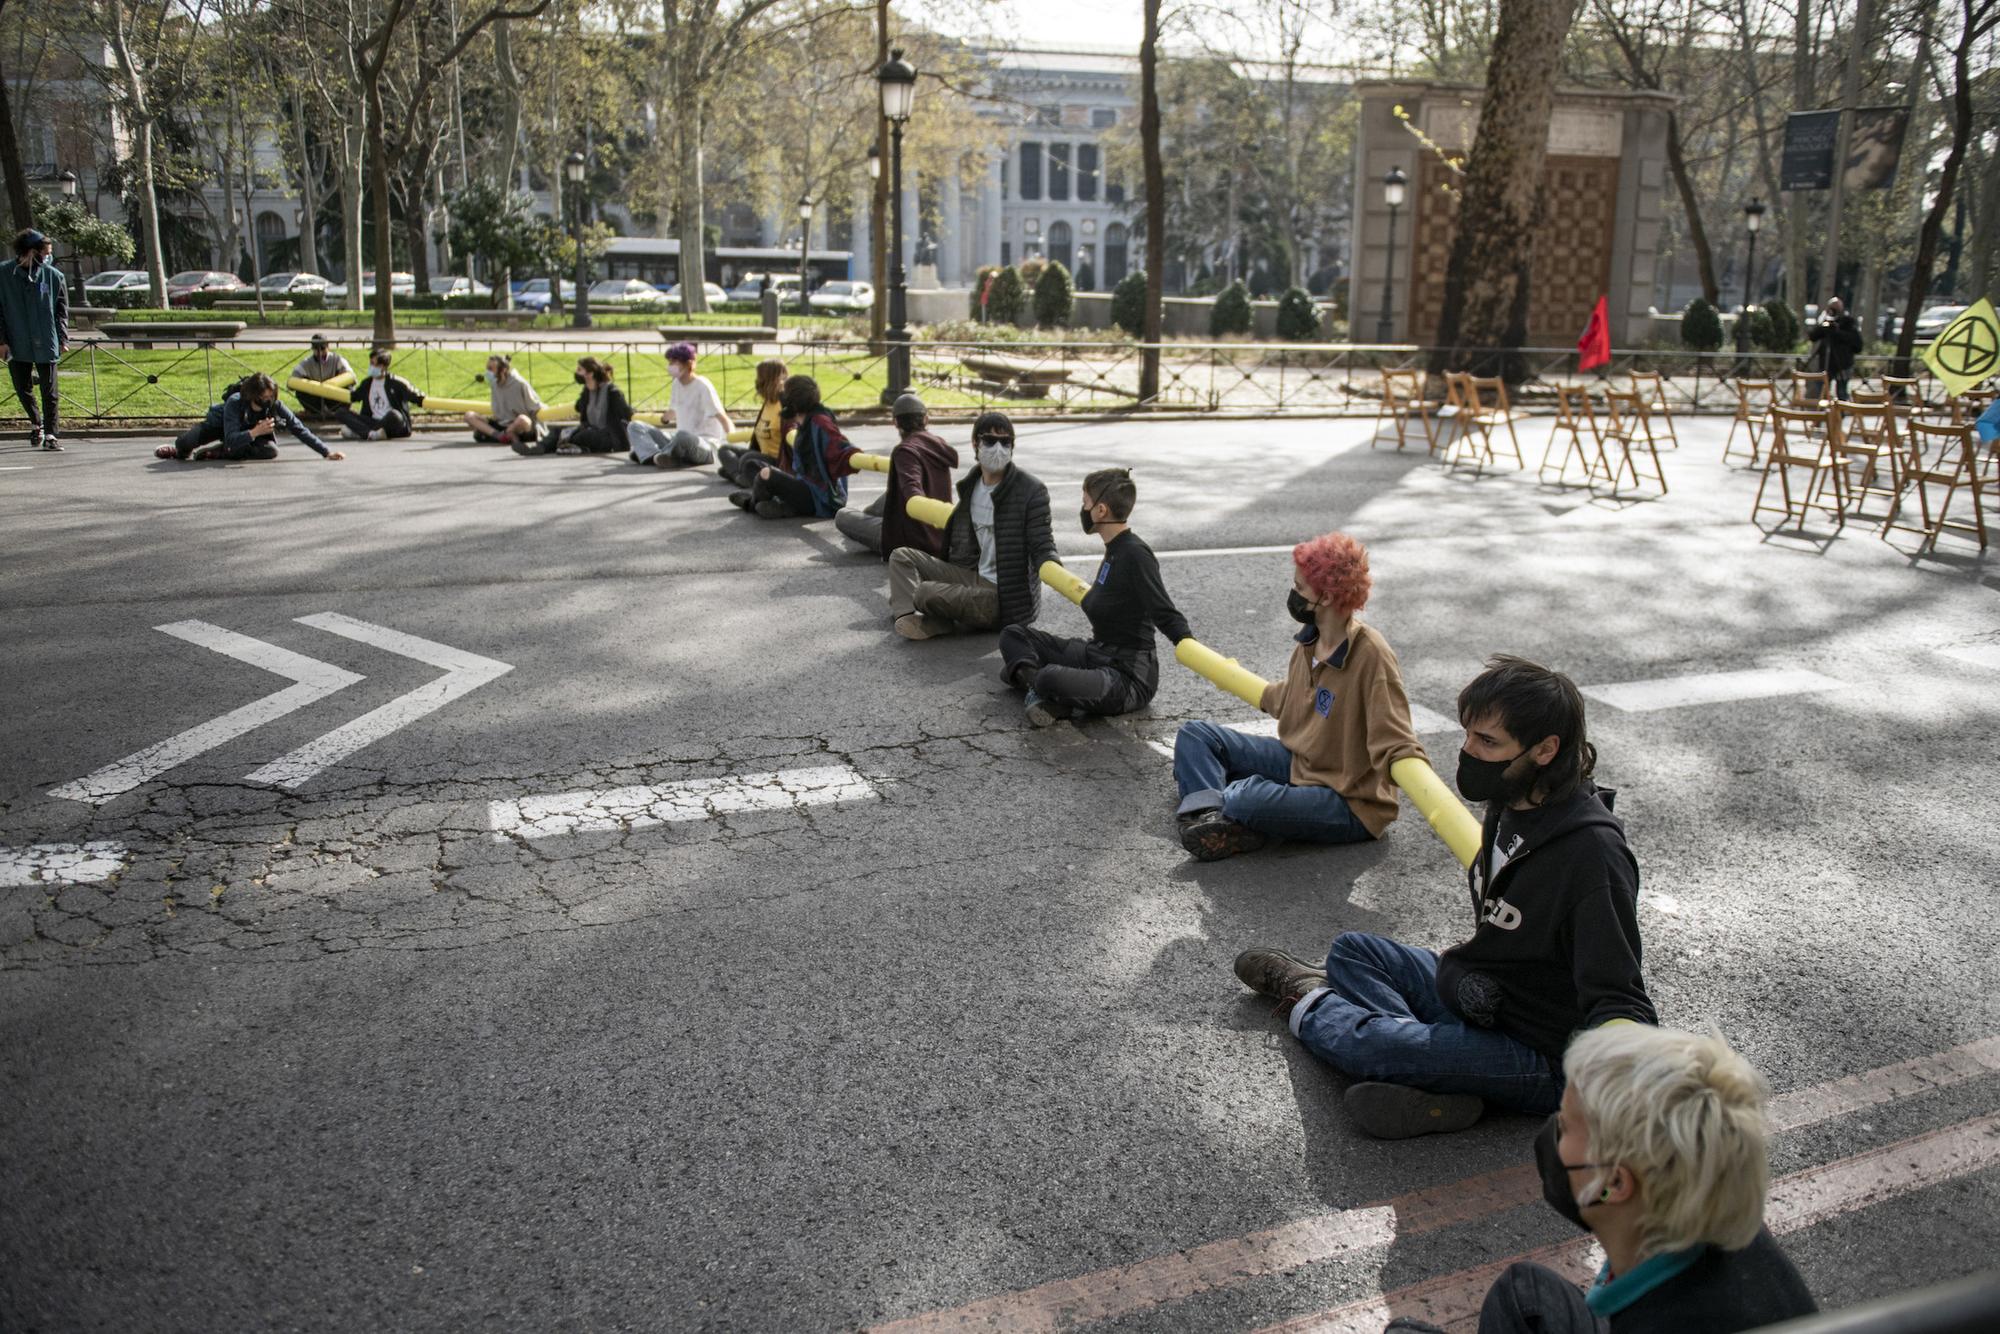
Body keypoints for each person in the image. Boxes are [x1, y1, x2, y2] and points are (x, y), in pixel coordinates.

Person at [1231, 655, 1655, 1139]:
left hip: (1544, 1052)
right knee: (1354, 949)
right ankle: (1445, 1080)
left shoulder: (1592, 856)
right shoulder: (1512, 802)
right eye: (1468, 735)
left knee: (1381, 1048)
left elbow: (1621, 998)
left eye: (1487, 742)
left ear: (1544, 750)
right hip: (1485, 999)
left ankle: (1311, 1000)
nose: (1468, 752)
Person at [1388, 1026, 1817, 1334]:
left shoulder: (1665, 1320)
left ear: (1613, 1184)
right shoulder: (1706, 1210)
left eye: (1568, 1126)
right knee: (1525, 1293)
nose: (1553, 1131)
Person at [1173, 532, 1423, 861]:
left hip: (1348, 800)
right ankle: (1214, 817)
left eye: (1300, 588)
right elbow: (1292, 697)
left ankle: (1218, 810)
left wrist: (1410, 768)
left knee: (1244, 798)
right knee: (1196, 736)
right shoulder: (1311, 639)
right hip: (1301, 764)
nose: (1293, 594)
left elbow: (1396, 735)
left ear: (1329, 597)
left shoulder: (1371, 654)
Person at [997, 468, 1191, 727]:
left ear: (1101, 510)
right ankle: (1043, 691)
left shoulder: (1136, 554)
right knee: (1013, 635)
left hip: (1129, 677)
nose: (1083, 509)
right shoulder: (1114, 549)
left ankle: (1037, 684)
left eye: (1085, 502)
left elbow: (1163, 611)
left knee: (1047, 676)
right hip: (1096, 653)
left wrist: (1187, 643)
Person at [886, 412, 1056, 640]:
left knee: (925, 592)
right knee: (901, 556)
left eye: (1006, 442)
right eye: (990, 441)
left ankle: (928, 615)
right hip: (973, 576)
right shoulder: (972, 485)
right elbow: (955, 541)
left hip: (1002, 597)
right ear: (975, 443)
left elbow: (1043, 543)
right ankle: (909, 617)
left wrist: (1053, 567)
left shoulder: (1031, 490)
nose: (998, 448)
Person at [833, 392, 958, 558]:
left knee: (842, 515)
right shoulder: (939, 445)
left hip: (909, 541)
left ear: (895, 423)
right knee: (886, 498)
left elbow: (912, 493)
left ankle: (867, 519)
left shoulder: (905, 452)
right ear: (926, 420)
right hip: (939, 535)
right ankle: (867, 516)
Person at [732, 374, 858, 519]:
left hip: (820, 498)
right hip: (806, 486)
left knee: (766, 474)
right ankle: (783, 506)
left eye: (785, 393)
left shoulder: (820, 421)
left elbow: (839, 443)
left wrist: (851, 454)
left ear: (793, 400)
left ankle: (752, 503)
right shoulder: (804, 420)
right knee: (753, 465)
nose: (781, 397)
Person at [154, 372, 346, 462]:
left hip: (245, 438)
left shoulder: (274, 406)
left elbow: (298, 428)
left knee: (271, 450)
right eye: (264, 398)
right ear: (252, 395)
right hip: (220, 426)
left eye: (271, 397)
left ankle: (220, 452)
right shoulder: (235, 402)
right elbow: (230, 435)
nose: (268, 401)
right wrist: (254, 432)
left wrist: (326, 451)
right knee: (188, 441)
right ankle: (177, 450)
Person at [0, 228, 68, 452]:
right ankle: (36, 422)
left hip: (47, 339)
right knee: (22, 387)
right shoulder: (3, 275)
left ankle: (51, 434)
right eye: (45, 252)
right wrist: (2, 341)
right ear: (30, 252)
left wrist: (62, 338)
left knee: (50, 391)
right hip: (17, 340)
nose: (48, 256)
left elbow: (61, 310)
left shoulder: (53, 275)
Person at [629, 341, 731, 468]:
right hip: (678, 441)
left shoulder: (703, 386)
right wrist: (660, 420)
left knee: (683, 436)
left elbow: (722, 417)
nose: (670, 366)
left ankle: (658, 454)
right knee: (635, 426)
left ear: (688, 364)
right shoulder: (676, 384)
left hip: (704, 445)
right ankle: (653, 456)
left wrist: (731, 445)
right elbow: (672, 412)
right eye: (669, 362)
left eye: (674, 362)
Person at [524, 356, 631, 455]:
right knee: (558, 430)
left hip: (608, 436)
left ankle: (567, 445)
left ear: (590, 374)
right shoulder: (587, 392)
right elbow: (578, 407)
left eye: (580, 370)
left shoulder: (612, 392)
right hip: (590, 430)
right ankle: (540, 448)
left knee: (584, 435)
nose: (576, 373)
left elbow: (626, 413)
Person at [716, 358, 786, 485]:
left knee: (747, 459)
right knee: (724, 450)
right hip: (762, 455)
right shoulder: (768, 403)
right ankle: (740, 475)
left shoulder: (783, 405)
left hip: (776, 460)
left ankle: (738, 474)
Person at [336, 348, 425, 440]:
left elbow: (415, 395)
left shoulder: (396, 383)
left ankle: (361, 432)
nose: (370, 367)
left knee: (395, 415)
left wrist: (423, 399)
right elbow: (354, 396)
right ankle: (371, 434)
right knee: (340, 412)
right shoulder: (367, 383)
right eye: (370, 363)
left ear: (382, 366)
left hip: (391, 422)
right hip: (372, 421)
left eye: (373, 364)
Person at [465, 354, 543, 446]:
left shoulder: (520, 383)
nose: (487, 373)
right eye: (487, 368)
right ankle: (500, 436)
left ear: (503, 370)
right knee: (469, 415)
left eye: (490, 369)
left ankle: (510, 434)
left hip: (519, 425)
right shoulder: (494, 383)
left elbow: (535, 408)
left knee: (522, 419)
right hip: (500, 425)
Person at [1806, 297, 1863, 402]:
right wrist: (1823, 325)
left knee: (1841, 393)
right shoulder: (1825, 323)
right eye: (1831, 308)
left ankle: (1840, 413)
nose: (1833, 310)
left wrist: (1836, 331)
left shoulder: (1848, 322)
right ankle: (1823, 412)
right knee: (1821, 389)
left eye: (1836, 308)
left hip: (1843, 364)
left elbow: (1856, 343)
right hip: (1826, 364)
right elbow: (1813, 336)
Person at [292, 335, 353, 420]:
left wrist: (335, 382)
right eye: (317, 349)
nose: (320, 353)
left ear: (328, 346)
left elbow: (350, 376)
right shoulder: (307, 363)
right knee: (300, 392)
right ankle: (314, 412)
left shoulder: (337, 359)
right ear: (312, 349)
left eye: (322, 349)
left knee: (350, 389)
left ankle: (340, 411)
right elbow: (293, 380)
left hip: (334, 394)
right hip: (316, 396)